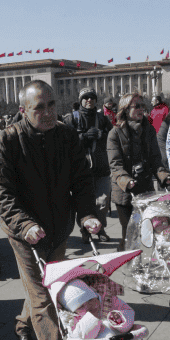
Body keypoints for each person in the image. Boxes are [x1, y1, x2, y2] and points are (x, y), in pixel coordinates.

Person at [0, 80, 100, 340]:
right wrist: (24, 225)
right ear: (24, 110)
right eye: (40, 107)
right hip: (23, 230)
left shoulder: (66, 135)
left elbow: (82, 180)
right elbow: (0, 191)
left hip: (58, 226)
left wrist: (87, 214)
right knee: (45, 295)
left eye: (52, 105)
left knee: (42, 284)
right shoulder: (6, 141)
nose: (49, 112)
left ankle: (24, 326)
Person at [109, 92, 170, 251]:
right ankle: (124, 258)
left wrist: (164, 176)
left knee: (147, 229)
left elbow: (155, 159)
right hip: (125, 191)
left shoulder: (149, 130)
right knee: (129, 231)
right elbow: (115, 165)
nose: (141, 109)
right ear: (125, 109)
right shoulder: (115, 133)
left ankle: (143, 261)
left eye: (142, 105)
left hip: (145, 188)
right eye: (136, 106)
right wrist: (126, 180)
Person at [64, 87, 112, 243]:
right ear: (80, 101)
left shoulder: (103, 119)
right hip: (81, 169)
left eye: (92, 97)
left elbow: (112, 138)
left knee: (103, 203)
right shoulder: (72, 119)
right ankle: (86, 231)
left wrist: (102, 135)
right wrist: (82, 137)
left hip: (101, 167)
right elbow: (65, 141)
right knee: (84, 203)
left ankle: (100, 228)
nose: (89, 100)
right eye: (85, 97)